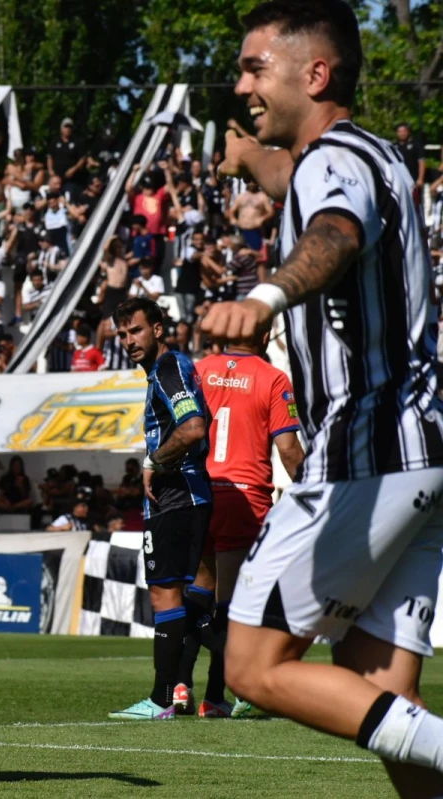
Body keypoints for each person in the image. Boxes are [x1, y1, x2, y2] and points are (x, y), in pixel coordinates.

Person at [202, 2, 443, 790]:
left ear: (316, 73)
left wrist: (264, 299)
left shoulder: (328, 167)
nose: (242, 85)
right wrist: (251, 160)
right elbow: (304, 178)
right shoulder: (369, 152)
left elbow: (334, 230)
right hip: (420, 453)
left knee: (253, 664)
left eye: (254, 67)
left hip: (365, 448)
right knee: (384, 697)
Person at [174, 330, 304, 719]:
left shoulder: (200, 370)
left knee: (200, 588)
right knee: (231, 604)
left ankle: (180, 685)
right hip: (243, 497)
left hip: (198, 491)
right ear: (266, 334)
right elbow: (289, 450)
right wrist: (319, 494)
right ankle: (220, 694)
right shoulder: (274, 378)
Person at [108, 297, 210, 721]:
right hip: (189, 494)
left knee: (165, 594)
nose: (128, 340)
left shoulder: (168, 369)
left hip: (176, 495)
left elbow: (192, 429)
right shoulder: (166, 370)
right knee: (195, 604)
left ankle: (162, 698)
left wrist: (153, 461)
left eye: (135, 330)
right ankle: (226, 682)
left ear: (158, 329)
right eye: (122, 333)